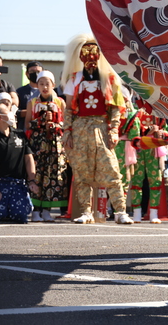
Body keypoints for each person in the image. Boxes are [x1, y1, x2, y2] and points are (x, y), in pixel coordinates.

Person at [61, 34, 134, 225]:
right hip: (80, 129)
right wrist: (67, 132)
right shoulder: (74, 79)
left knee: (111, 169)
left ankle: (120, 211)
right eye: (86, 53)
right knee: (82, 171)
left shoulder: (109, 79)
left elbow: (116, 109)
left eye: (94, 53)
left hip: (101, 128)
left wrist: (114, 130)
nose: (91, 59)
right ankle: (86, 211)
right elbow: (68, 109)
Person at [24, 70, 68, 222]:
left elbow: (66, 124)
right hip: (38, 144)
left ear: (53, 85)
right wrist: (41, 121)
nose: (44, 87)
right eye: (41, 84)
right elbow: (27, 124)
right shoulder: (32, 103)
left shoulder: (60, 102)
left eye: (47, 84)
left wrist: (55, 121)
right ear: (37, 85)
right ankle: (35, 210)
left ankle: (47, 210)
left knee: (53, 176)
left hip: (55, 144)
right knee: (37, 175)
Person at [0, 102, 40, 223]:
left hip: (17, 183)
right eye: (7, 114)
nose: (11, 116)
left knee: (21, 215)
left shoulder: (19, 134)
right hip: (0, 184)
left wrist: (32, 180)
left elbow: (28, 158)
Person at [16, 61, 43, 131]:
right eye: (32, 71)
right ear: (27, 74)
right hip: (24, 130)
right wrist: (32, 111)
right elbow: (15, 112)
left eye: (38, 71)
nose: (36, 74)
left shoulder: (48, 92)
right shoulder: (20, 92)